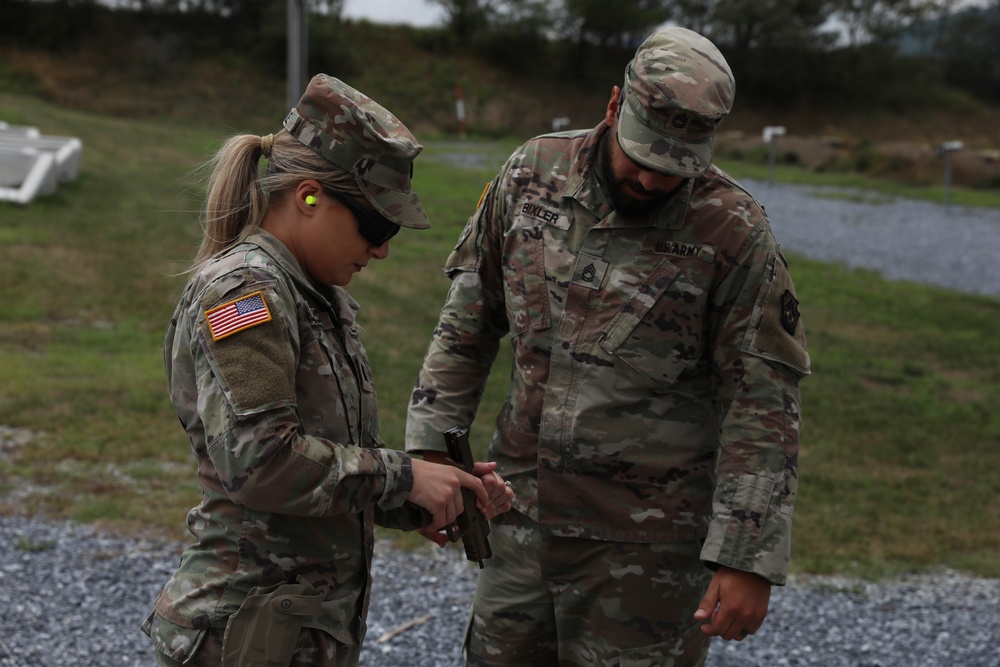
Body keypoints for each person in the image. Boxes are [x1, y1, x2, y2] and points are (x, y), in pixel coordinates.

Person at [404, 27, 811, 666]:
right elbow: (469, 323)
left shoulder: (733, 231)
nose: (651, 180)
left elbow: (762, 401)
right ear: (615, 105)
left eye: (674, 169)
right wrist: (429, 452)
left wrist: (747, 557)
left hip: (647, 554)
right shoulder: (530, 176)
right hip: (523, 528)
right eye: (642, 157)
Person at [141, 74, 514, 667]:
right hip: (243, 634)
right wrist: (403, 477)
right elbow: (261, 463)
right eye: (376, 226)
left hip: (294, 630)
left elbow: (328, 459)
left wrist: (429, 494)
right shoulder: (246, 292)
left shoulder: (316, 294)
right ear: (310, 196)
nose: (383, 249)